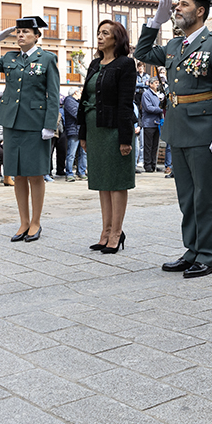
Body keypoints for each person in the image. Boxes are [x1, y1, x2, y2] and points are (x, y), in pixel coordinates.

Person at [135, 0, 212, 278]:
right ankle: (191, 251)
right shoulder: (174, 46)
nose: (177, 9)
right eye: (176, 6)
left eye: (184, 5)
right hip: (178, 128)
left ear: (201, 11)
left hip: (204, 130)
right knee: (186, 196)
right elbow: (142, 53)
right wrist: (155, 22)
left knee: (205, 196)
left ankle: (208, 255)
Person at [0, 16, 60, 241]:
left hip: (35, 124)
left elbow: (53, 94)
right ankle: (23, 222)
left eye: (25, 32)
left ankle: (36, 222)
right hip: (12, 123)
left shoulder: (47, 59)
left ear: (36, 36)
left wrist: (50, 125)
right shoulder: (9, 58)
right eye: (18, 32)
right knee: (18, 174)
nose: (20, 35)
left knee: (35, 175)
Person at [79, 19, 137, 254]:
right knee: (103, 183)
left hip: (114, 129)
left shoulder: (126, 64)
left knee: (116, 183)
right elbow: (85, 100)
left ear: (117, 38)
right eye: (98, 33)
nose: (100, 37)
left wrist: (125, 138)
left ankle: (116, 232)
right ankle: (105, 232)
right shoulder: (94, 64)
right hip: (95, 129)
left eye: (105, 33)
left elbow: (126, 103)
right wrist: (83, 133)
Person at [141, 78, 164, 172]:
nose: (157, 85)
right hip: (149, 123)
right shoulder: (146, 94)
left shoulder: (158, 94)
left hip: (157, 122)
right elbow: (148, 108)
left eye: (158, 83)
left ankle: (154, 164)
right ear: (150, 84)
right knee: (148, 145)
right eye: (155, 83)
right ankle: (148, 165)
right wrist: (161, 110)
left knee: (155, 145)